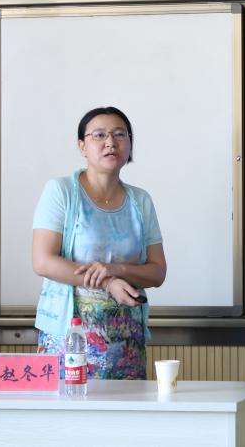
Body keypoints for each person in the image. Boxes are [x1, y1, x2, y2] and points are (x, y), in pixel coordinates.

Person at [32, 106, 166, 380]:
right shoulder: (61, 191)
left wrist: (117, 270)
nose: (110, 143)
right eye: (99, 135)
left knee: (126, 407)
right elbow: (43, 261)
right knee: (69, 405)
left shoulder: (140, 200)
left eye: (120, 134)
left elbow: (157, 272)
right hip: (70, 334)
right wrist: (107, 282)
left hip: (126, 337)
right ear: (82, 146)